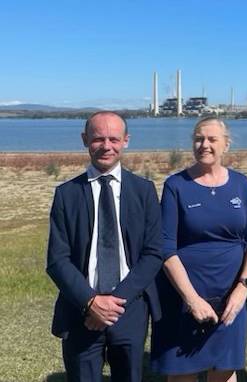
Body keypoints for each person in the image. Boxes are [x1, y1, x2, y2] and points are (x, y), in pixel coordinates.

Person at [46, 111, 163, 382]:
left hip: (129, 307)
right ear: (85, 139)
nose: (106, 146)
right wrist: (91, 301)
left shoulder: (144, 190)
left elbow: (154, 252)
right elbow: (57, 260)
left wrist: (114, 303)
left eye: (113, 139)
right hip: (80, 308)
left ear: (126, 141)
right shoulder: (67, 194)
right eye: (98, 138)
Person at [151, 116, 247, 382]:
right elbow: (166, 249)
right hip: (183, 296)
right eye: (199, 139)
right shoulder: (176, 186)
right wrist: (191, 299)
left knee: (224, 370)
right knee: (182, 372)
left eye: (212, 139)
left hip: (231, 298)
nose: (205, 144)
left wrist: (242, 289)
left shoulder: (241, 184)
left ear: (226, 144)